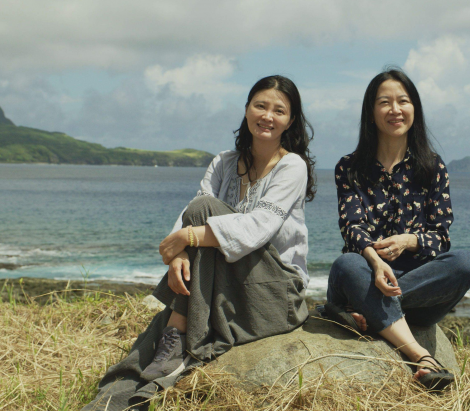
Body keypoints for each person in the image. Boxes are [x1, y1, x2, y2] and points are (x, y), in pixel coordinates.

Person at [84, 75, 316, 410]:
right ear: (247, 109)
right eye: (260, 106)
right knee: (152, 341)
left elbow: (257, 227)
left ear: (290, 120)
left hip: (278, 294)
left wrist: (187, 237)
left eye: (279, 111)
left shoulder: (292, 166)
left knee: (205, 210)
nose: (267, 116)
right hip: (229, 286)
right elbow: (191, 213)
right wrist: (180, 253)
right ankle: (120, 398)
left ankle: (179, 334)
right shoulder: (224, 162)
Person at [326, 68, 470, 391]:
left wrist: (409, 241)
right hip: (366, 270)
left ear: (415, 109)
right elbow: (352, 227)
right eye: (384, 102)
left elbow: (441, 237)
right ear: (371, 113)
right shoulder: (349, 167)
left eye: (403, 101)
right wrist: (376, 262)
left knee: (465, 262)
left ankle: (362, 307)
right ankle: (421, 355)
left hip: (415, 287)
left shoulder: (432, 166)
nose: (395, 109)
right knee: (348, 264)